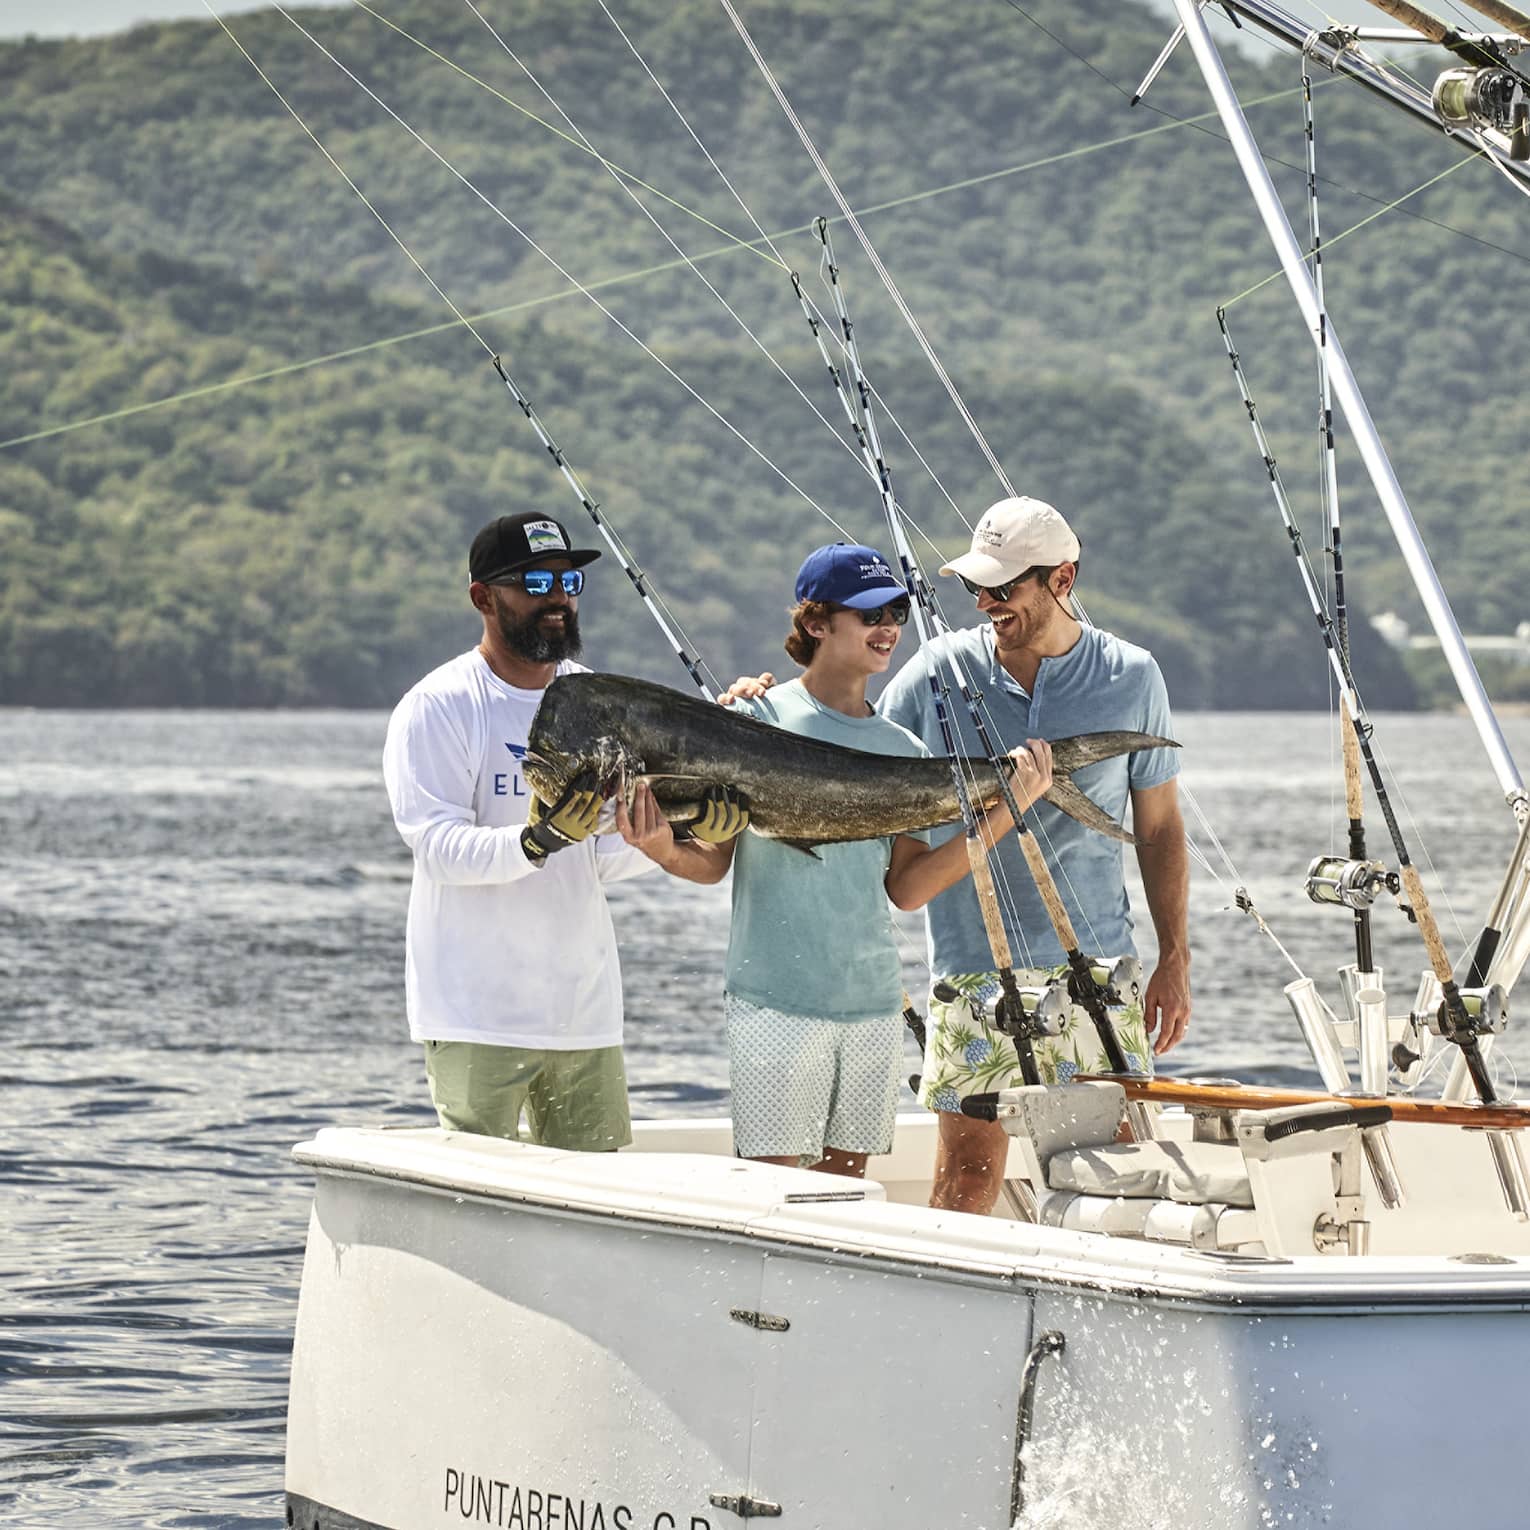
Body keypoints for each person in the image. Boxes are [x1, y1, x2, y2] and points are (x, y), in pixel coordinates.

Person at [381, 512, 743, 1152]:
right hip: (473, 1016)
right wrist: (535, 841)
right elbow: (435, 845)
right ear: (483, 597)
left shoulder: (598, 700)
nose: (557, 596)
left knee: (600, 1202)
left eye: (568, 580)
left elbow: (600, 855)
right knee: (480, 1198)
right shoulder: (440, 703)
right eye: (535, 580)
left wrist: (675, 835)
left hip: (584, 1016)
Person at [877, 496, 1191, 1214]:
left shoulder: (1132, 675)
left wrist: (1175, 957)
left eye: (1004, 586)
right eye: (976, 588)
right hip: (972, 973)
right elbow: (854, 743)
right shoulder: (935, 672)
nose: (986, 601)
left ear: (1062, 578)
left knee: (1113, 1185)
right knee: (965, 1180)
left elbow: (1163, 827)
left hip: (1100, 973)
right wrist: (762, 711)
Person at [708, 542, 1052, 1178]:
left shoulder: (904, 747)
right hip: (772, 1002)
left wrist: (1008, 809)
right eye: (870, 613)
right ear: (815, 623)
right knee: (773, 1198)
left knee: (846, 1201)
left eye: (896, 609)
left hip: (870, 1006)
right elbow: (709, 859)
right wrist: (649, 838)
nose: (889, 626)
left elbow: (909, 889)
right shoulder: (755, 716)